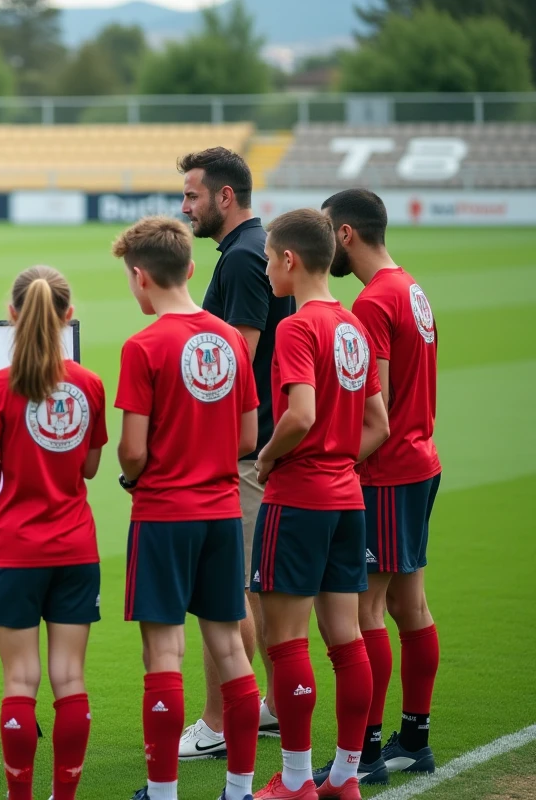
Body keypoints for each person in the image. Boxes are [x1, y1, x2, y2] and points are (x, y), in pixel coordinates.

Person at [110, 218, 261, 800]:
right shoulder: (227, 337)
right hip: (222, 510)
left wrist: (134, 474)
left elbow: (132, 449)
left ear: (139, 277)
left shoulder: (142, 345)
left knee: (164, 653)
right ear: (192, 269)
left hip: (164, 514)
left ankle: (164, 792)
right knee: (229, 649)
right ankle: (240, 788)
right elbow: (248, 437)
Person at [250, 209, 390, 800]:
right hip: (347, 499)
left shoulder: (296, 327)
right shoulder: (353, 325)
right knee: (346, 638)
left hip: (300, 498)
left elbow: (300, 413)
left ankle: (297, 780)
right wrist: (337, 461)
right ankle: (344, 777)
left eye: (269, 258)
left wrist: (269, 458)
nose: (264, 268)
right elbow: (378, 425)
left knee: (285, 641)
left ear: (289, 259)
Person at [0, 265, 105, 800]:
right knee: (69, 678)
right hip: (75, 546)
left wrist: (3, 456)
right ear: (68, 316)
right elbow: (90, 468)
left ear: (13, 315)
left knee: (20, 681)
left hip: (16, 549)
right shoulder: (88, 383)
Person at [318, 189, 441, 782]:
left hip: (387, 472)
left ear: (345, 235)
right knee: (408, 604)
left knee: (365, 608)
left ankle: (365, 752)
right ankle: (413, 738)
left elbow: (379, 411)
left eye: (326, 233)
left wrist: (335, 466)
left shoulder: (370, 304)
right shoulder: (410, 287)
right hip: (419, 463)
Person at [177, 147, 293, 760]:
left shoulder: (247, 256)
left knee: (230, 592)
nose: (184, 205)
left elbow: (234, 363)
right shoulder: (249, 250)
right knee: (254, 589)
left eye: (192, 194)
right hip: (258, 446)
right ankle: (269, 707)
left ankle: (220, 721)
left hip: (247, 453)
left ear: (225, 197)